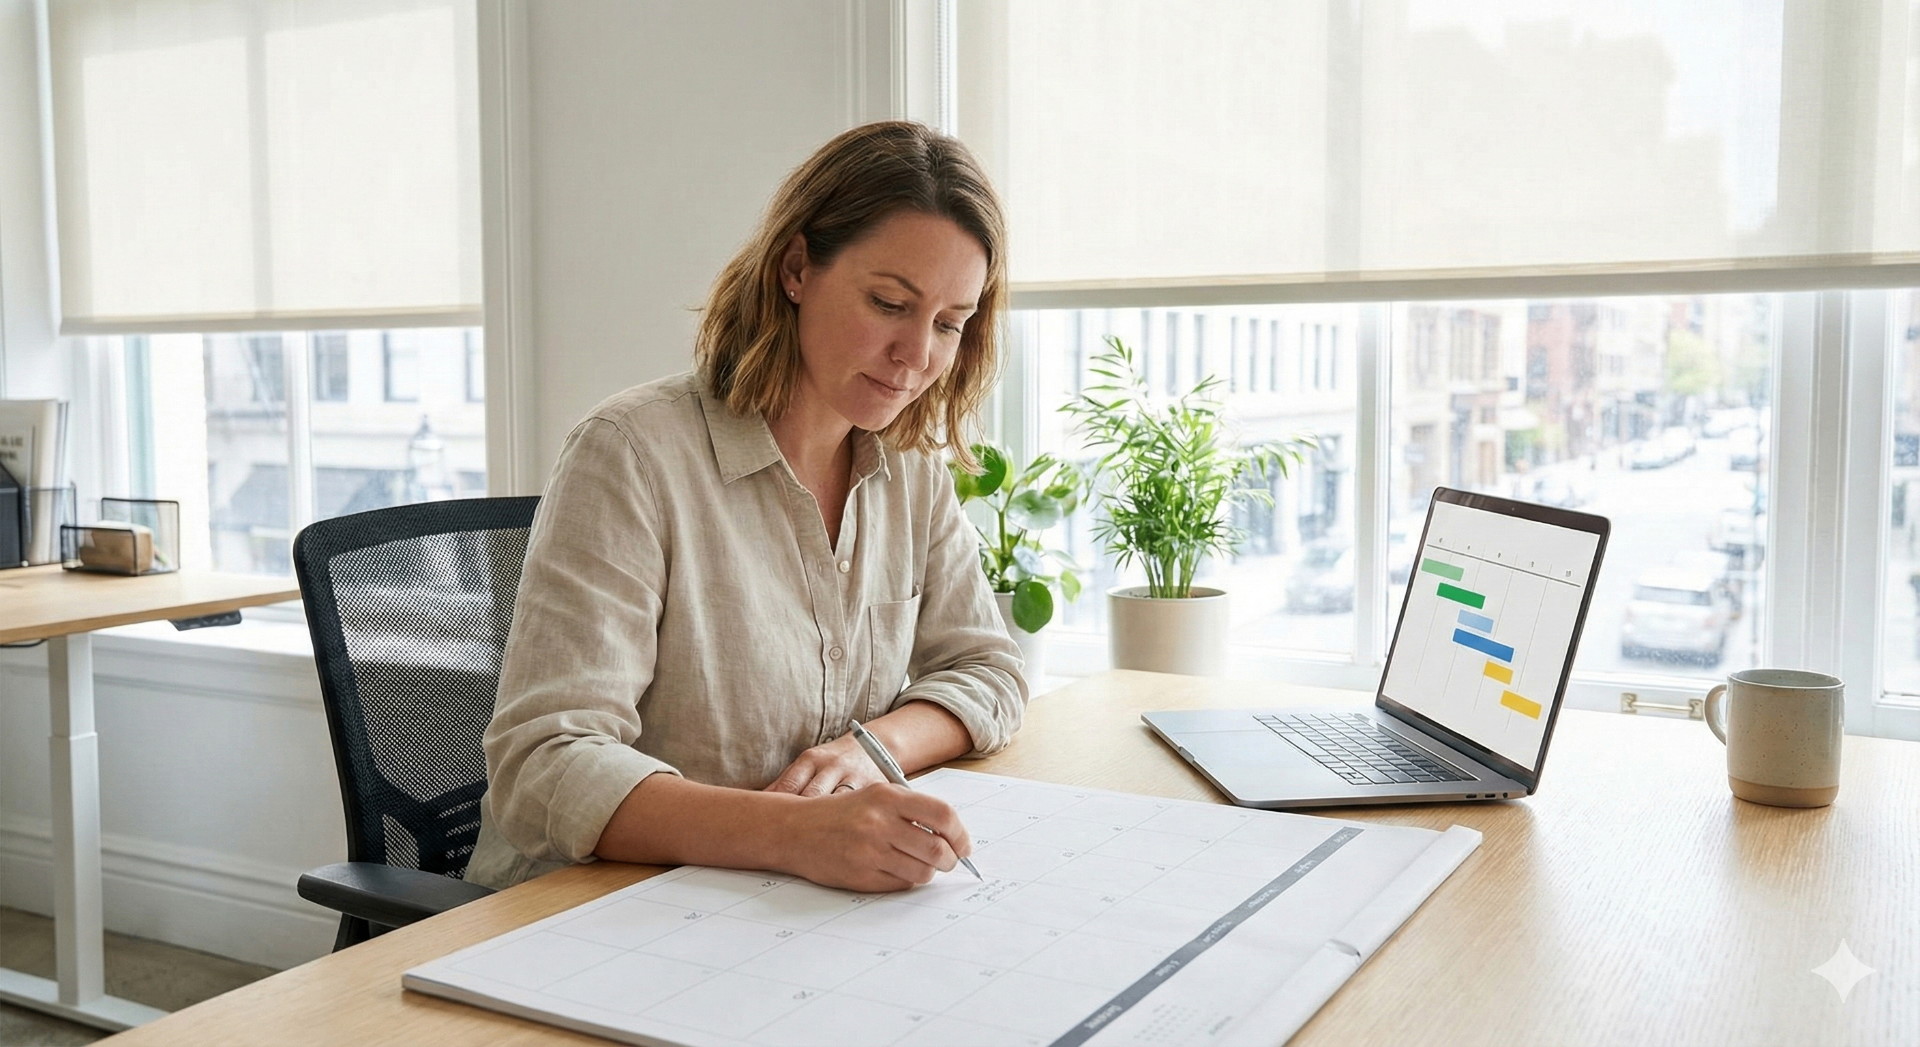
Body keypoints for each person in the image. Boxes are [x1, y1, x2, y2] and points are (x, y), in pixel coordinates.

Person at [466, 122, 1026, 895]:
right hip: (592, 908)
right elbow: (544, 764)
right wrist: (798, 833)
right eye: (889, 303)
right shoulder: (631, 453)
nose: (918, 354)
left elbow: (988, 670)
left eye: (949, 323)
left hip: (774, 908)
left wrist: (869, 750)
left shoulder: (911, 471)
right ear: (796, 269)